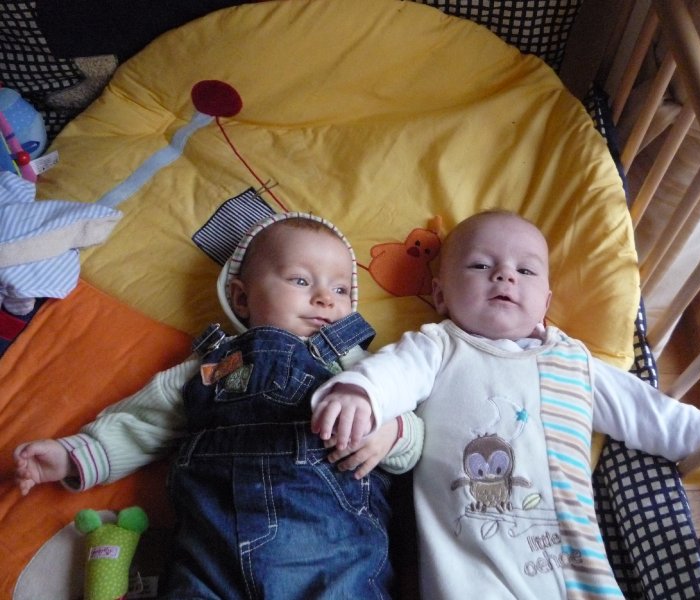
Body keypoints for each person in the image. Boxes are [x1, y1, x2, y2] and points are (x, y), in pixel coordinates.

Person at [311, 209, 700, 600]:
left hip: (575, 564)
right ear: (441, 295)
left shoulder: (573, 361)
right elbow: (394, 372)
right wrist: (362, 393)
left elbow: (647, 412)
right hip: (470, 568)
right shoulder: (439, 346)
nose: (504, 276)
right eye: (480, 265)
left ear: (545, 302)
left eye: (525, 271)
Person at [14, 212, 422, 600]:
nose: (324, 299)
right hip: (211, 552)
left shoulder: (357, 369)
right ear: (242, 298)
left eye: (341, 290)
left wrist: (391, 432)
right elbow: (143, 422)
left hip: (328, 554)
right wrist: (72, 456)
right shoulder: (215, 368)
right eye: (300, 280)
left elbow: (412, 429)